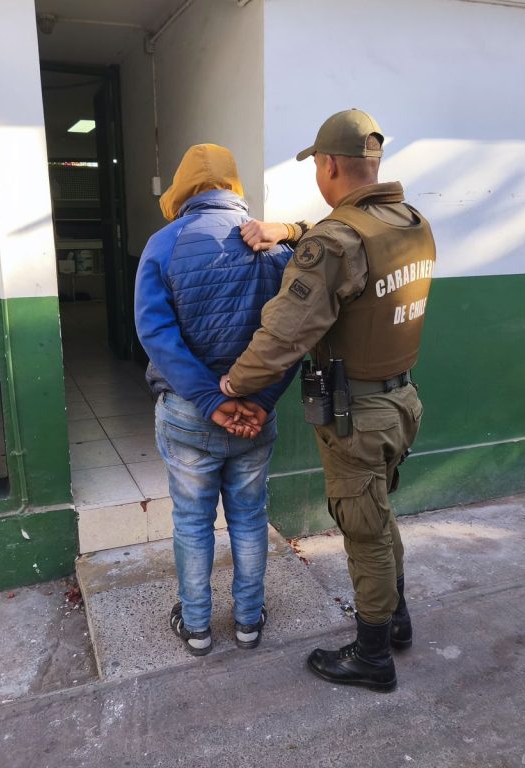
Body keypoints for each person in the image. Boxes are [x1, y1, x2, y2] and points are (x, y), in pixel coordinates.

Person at [219, 109, 436, 692]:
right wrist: (291, 231)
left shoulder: (336, 242)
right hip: (401, 401)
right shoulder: (409, 221)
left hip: (356, 416)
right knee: (378, 515)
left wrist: (234, 385)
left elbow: (285, 334)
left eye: (316, 163)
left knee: (363, 531)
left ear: (330, 164)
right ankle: (396, 619)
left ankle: (372, 656)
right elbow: (342, 238)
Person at [134, 143, 298, 657]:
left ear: (183, 187)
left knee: (191, 522)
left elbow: (156, 334)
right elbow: (293, 336)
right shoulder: (275, 247)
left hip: (188, 414)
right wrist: (261, 400)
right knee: (249, 519)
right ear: (233, 185)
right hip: (255, 418)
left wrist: (210, 400)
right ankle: (249, 621)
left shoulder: (164, 244)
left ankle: (197, 626)